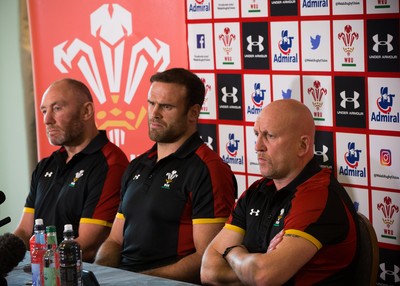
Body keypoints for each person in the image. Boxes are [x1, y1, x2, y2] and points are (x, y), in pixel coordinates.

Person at [94, 68, 237, 284]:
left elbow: (207, 258)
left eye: (166, 106)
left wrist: (136, 282)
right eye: (151, 103)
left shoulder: (208, 169)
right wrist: (100, 274)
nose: (154, 113)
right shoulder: (137, 166)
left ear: (193, 113)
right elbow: (115, 239)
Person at [201, 99, 359, 285]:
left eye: (270, 136)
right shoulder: (256, 191)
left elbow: (263, 277)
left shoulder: (317, 196)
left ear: (302, 146)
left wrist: (233, 252)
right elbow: (209, 270)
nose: (257, 146)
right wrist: (254, 264)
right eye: (257, 134)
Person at [13, 78, 129, 262]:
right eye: (44, 110)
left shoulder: (110, 163)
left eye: (57, 108)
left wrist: (46, 266)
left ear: (86, 111)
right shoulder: (46, 165)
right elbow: (25, 231)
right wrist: (6, 254)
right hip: (43, 272)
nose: (47, 120)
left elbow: (89, 246)